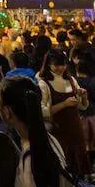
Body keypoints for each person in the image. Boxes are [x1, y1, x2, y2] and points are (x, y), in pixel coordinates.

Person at [38, 49, 91, 177]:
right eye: (56, 65)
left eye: (63, 64)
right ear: (48, 64)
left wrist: (83, 96)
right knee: (63, 166)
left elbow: (81, 106)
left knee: (78, 168)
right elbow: (42, 110)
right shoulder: (44, 83)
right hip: (57, 130)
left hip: (75, 129)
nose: (60, 68)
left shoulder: (71, 80)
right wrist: (64, 104)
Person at [73, 53, 95, 179]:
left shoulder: (74, 82)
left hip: (79, 116)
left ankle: (88, 169)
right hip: (93, 114)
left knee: (84, 143)